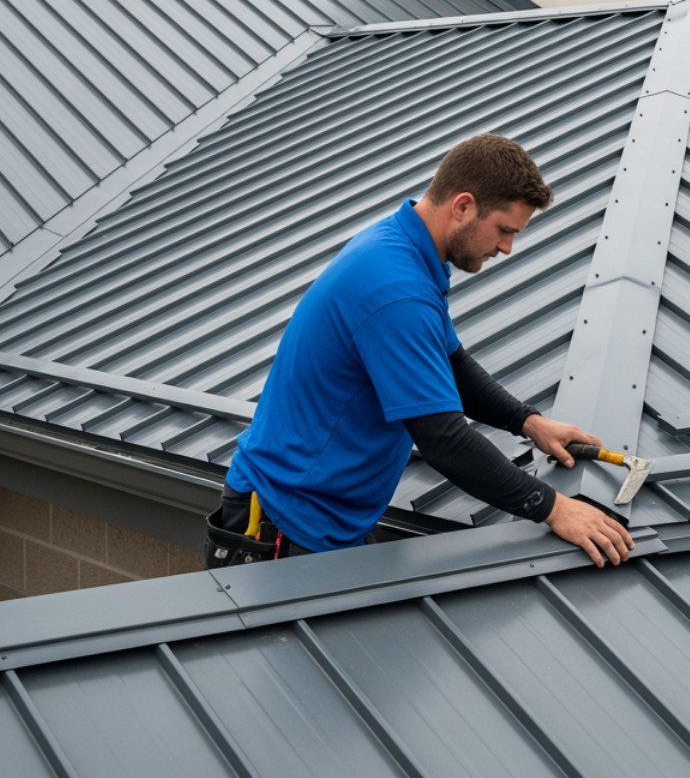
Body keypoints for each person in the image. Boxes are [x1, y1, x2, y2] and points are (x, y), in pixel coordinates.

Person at [205, 134, 635, 568]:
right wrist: (555, 508)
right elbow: (442, 438)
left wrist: (529, 421)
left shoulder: (405, 251)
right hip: (282, 524)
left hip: (320, 516)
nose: (507, 248)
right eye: (504, 230)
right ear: (463, 206)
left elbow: (452, 363)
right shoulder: (396, 290)